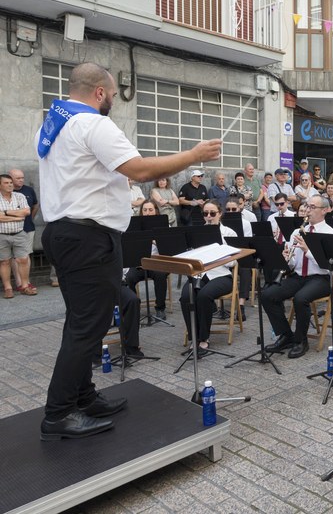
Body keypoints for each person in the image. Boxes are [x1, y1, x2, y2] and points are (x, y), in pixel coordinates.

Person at [37, 62, 221, 441]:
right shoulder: (92, 123)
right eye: (114, 96)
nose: (114, 104)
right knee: (88, 326)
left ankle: (82, 397)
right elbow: (138, 170)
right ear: (100, 93)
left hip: (65, 233)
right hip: (87, 238)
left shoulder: (52, 123)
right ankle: (58, 413)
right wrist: (193, 155)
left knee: (82, 321)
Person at [261, 195, 333, 358]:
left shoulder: (330, 233)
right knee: (267, 295)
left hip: (321, 278)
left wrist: (307, 251)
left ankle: (301, 340)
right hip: (298, 276)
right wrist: (287, 258)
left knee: (300, 299)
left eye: (312, 207)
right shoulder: (297, 231)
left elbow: (329, 265)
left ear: (324, 211)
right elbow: (293, 264)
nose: (307, 211)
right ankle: (286, 335)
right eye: (307, 207)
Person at [179, 200, 237, 354]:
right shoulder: (197, 232)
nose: (209, 217)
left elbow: (234, 262)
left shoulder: (229, 233)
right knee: (186, 296)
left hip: (222, 275)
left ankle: (204, 339)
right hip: (200, 274)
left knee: (204, 296)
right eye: (205, 214)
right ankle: (194, 337)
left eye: (212, 213)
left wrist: (218, 250)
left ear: (220, 214)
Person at [124, 200, 170, 321]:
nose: (147, 213)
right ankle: (134, 307)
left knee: (160, 276)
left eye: (150, 210)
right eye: (145, 210)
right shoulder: (135, 227)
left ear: (156, 211)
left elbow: (170, 249)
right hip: (139, 262)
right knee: (129, 278)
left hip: (158, 262)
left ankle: (160, 308)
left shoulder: (164, 225)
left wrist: (156, 241)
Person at [0, 173, 33, 298]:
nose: (9, 185)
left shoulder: (20, 196)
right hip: (1, 235)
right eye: (6, 183)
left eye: (10, 183)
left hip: (19, 233)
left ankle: (25, 286)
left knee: (23, 259)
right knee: (4, 262)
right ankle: (8, 288)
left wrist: (5, 213)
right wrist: (17, 217)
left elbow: (26, 212)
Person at [8, 169, 38, 294]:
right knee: (14, 257)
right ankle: (19, 283)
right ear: (10, 179)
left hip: (27, 227)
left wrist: (30, 218)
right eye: (18, 178)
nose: (21, 180)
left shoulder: (28, 190)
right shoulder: (6, 191)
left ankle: (26, 282)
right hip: (9, 229)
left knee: (25, 255)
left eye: (22, 178)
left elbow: (35, 206)